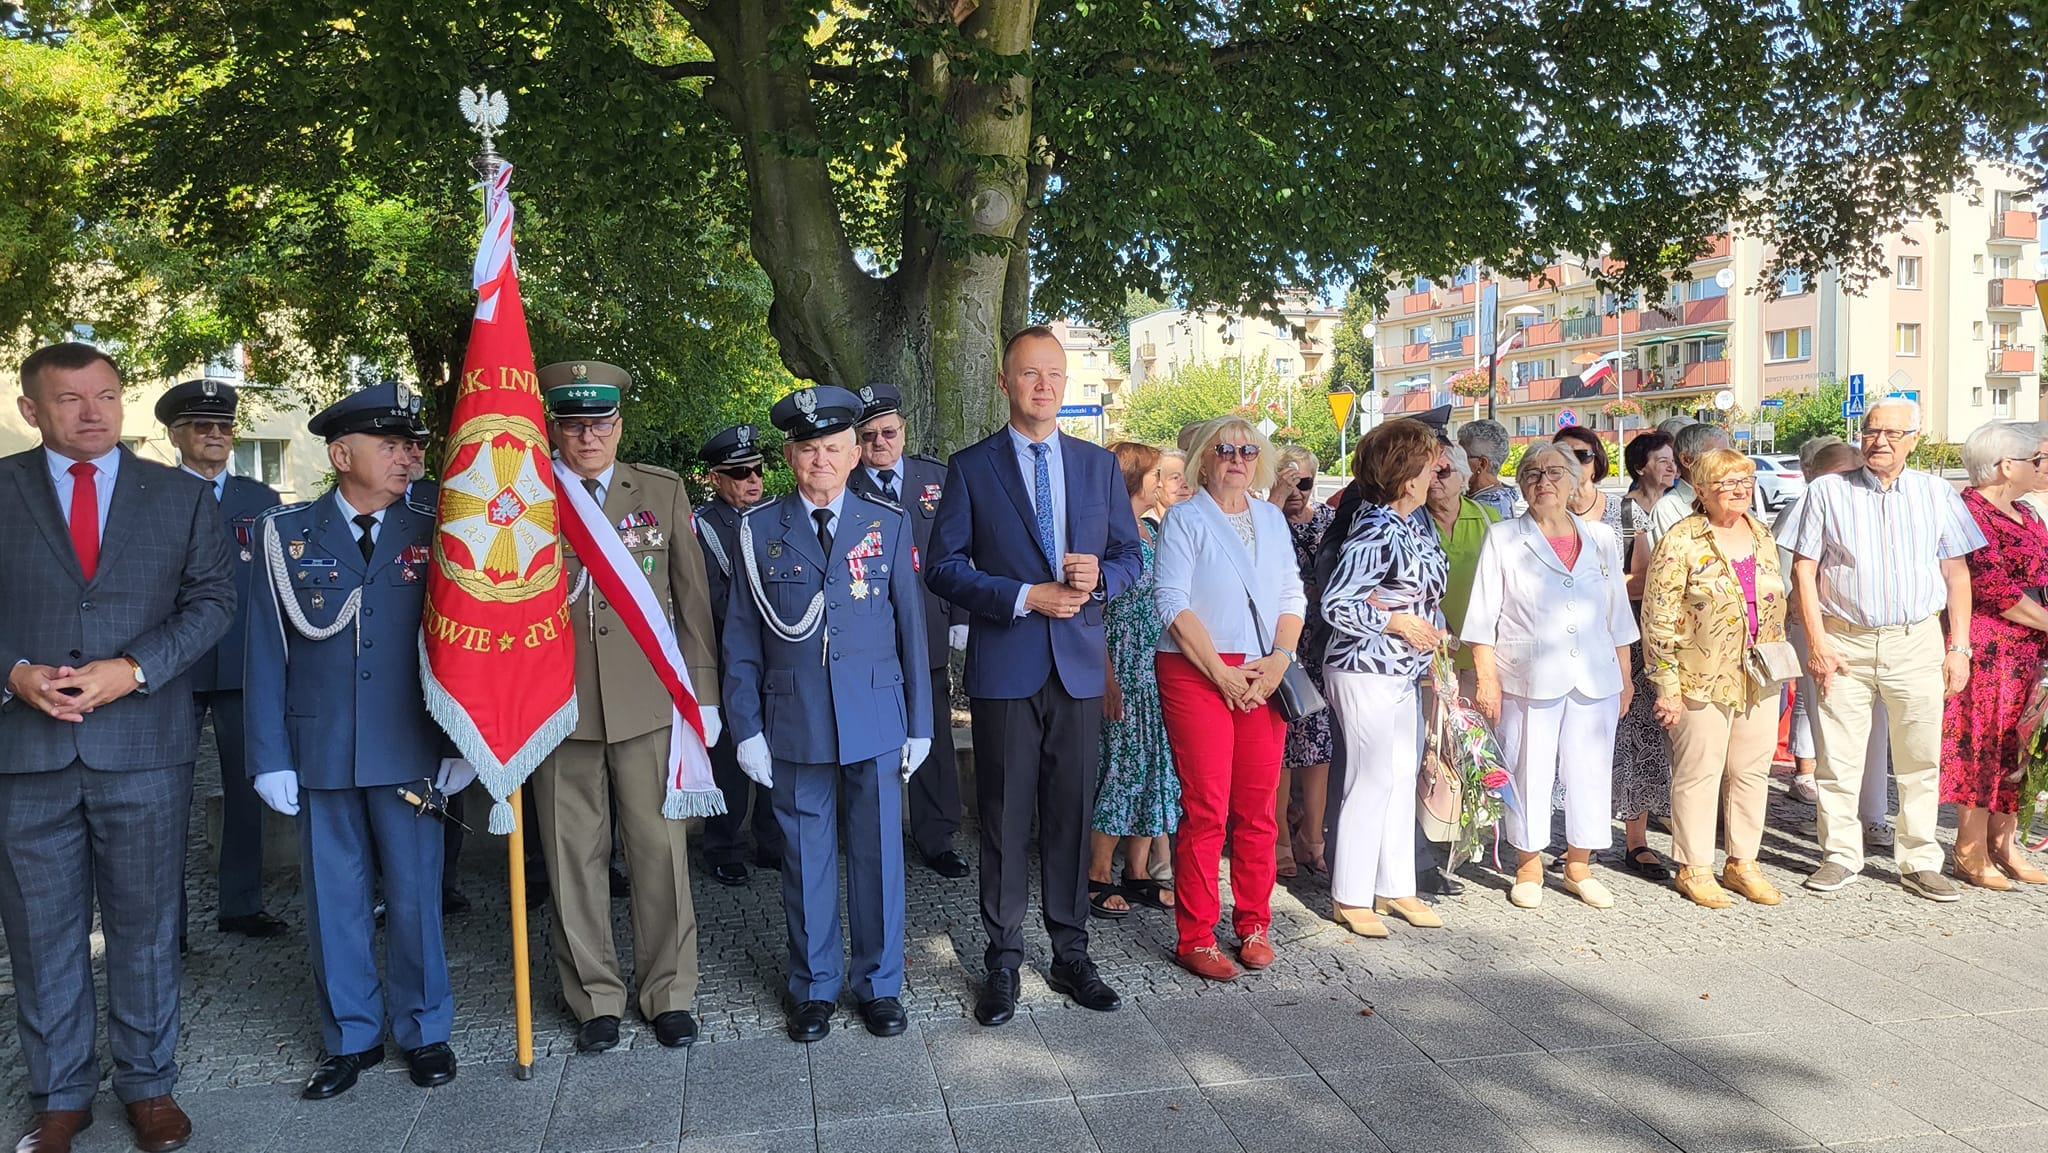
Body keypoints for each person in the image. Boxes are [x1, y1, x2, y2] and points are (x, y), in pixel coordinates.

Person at [0, 343, 232, 1153]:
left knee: (144, 926)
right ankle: (59, 1096)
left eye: (105, 394)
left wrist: (133, 668)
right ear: (33, 409)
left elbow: (212, 602)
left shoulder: (178, 496)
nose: (92, 411)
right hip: (26, 754)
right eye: (69, 399)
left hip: (144, 746)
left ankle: (148, 1086)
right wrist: (15, 672)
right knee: (41, 930)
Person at [244, 381, 468, 1099]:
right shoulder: (286, 534)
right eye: (391, 444)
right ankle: (350, 1036)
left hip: (412, 744)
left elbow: (469, 639)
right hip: (323, 750)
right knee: (334, 900)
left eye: (412, 445)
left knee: (414, 896)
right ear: (341, 454)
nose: (408, 457)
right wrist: (268, 756)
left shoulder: (437, 524)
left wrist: (464, 738)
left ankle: (426, 1028)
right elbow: (264, 650)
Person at [927, 325, 1142, 1026]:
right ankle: (1003, 958)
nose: (1043, 385)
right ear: (1004, 381)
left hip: (1077, 668)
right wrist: (1024, 596)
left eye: (1053, 374)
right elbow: (944, 567)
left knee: (1071, 817)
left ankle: (1071, 952)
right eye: (1029, 374)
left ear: (1065, 382)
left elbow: (1131, 560)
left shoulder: (1096, 466)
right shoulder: (971, 467)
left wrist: (1099, 576)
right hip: (1007, 666)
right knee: (1003, 817)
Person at [724, 384, 932, 1043]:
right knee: (805, 857)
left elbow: (911, 631)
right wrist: (746, 726)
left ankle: (878, 984)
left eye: (834, 447)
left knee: (877, 855)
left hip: (874, 713)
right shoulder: (759, 529)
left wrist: (922, 721)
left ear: (853, 454)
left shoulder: (887, 524)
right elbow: (740, 636)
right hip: (796, 719)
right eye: (809, 447)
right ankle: (813, 986)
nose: (822, 459)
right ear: (789, 455)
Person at [532, 362, 721, 1054]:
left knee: (659, 852)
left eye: (601, 421)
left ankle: (667, 990)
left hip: (648, 704)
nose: (589, 434)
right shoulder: (527, 498)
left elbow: (691, 605)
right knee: (570, 853)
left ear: (620, 425)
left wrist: (704, 695)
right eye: (575, 423)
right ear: (555, 426)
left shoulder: (661, 491)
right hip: (558, 708)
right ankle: (595, 996)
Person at [1793, 396, 1985, 900]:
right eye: (1871, 431)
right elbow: (1803, 571)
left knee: (1920, 758)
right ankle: (1839, 855)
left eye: (1893, 434)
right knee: (1837, 758)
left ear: (1914, 440)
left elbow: (1956, 573)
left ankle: (1920, 860)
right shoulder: (1827, 492)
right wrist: (1816, 641)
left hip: (1916, 641)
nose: (1880, 441)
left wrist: (1959, 646)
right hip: (1844, 642)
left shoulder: (1937, 493)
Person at [1151, 417, 1305, 980]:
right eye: (1224, 449)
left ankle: (1254, 921)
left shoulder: (1270, 517)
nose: (1236, 458)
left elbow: (1293, 593)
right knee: (1207, 807)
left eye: (1247, 449)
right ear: (1205, 460)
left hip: (1264, 669)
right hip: (1198, 670)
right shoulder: (1185, 519)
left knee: (1257, 808)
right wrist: (1219, 673)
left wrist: (1280, 661)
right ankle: (1195, 935)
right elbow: (1170, 600)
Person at [1464, 441, 1638, 909]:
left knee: (1591, 770)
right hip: (1527, 674)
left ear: (1576, 481)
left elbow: (1617, 613)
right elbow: (1482, 615)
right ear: (1522, 485)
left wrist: (1625, 674)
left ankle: (1579, 864)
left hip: (1595, 674)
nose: (1545, 482)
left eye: (1555, 473)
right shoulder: (1503, 536)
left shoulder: (1601, 537)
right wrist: (1486, 678)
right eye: (1534, 474)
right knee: (1528, 767)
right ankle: (1529, 864)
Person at [154, 377, 289, 940]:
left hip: (240, 667)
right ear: (175, 434)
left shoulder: (259, 501)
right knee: (164, 798)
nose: (215, 435)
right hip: (171, 670)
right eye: (202, 426)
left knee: (246, 787)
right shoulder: (151, 495)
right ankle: (168, 924)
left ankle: (240, 903)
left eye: (225, 427)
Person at [1643, 449, 1788, 908]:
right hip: (1697, 675)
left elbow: (1773, 608)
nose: (1740, 489)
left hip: (1759, 673)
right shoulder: (1682, 539)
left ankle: (1742, 862)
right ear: (1701, 490)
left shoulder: (1762, 534)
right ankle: (1694, 866)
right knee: (1699, 774)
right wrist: (1665, 684)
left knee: (1751, 772)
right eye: (1726, 482)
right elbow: (1658, 617)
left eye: (1745, 480)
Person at [1320, 419, 1449, 938]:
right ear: (1405, 471)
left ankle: (1395, 884)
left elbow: (1425, 597)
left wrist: (1431, 641)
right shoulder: (1374, 525)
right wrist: (1395, 621)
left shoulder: (1411, 524)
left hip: (1402, 668)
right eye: (1428, 461)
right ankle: (1350, 893)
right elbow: (1337, 603)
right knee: (1370, 777)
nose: (1437, 468)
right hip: (1363, 666)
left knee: (1399, 775)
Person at [848, 382, 971, 878]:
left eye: (889, 432)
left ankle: (937, 836)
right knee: (870, 737)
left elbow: (961, 552)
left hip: (929, 628)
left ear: (904, 430)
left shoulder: (934, 479)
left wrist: (961, 615)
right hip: (870, 635)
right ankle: (869, 834)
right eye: (870, 435)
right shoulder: (844, 484)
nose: (881, 443)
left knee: (935, 734)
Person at [1941, 421, 2048, 889]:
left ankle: (2004, 844)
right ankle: (1969, 848)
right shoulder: (1970, 512)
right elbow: (1992, 587)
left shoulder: (2029, 512)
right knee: (1981, 745)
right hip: (1991, 646)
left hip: (2032, 644)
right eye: (2037, 460)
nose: (2043, 467)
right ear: (2007, 465)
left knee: (2021, 744)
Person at [1776, 440, 1894, 841]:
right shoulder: (1804, 507)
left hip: (1873, 632)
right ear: (1814, 476)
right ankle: (1836, 823)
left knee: (1877, 728)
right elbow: (1787, 575)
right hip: (1820, 629)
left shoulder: (1874, 506)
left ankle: (1874, 815)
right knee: (1831, 729)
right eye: (1843, 472)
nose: (1852, 480)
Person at [694, 423, 787, 886]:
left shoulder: (774, 517)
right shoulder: (702, 527)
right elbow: (704, 597)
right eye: (740, 473)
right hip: (727, 657)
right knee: (728, 758)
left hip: (778, 655)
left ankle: (771, 841)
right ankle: (723, 844)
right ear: (716, 478)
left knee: (779, 746)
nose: (753, 480)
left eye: (757, 470)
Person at [1088, 442, 1179, 917]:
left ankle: (1138, 871)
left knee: (1153, 770)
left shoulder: (1147, 528)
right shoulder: (1105, 532)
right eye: (1156, 473)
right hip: (1122, 668)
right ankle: (1096, 873)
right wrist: (1106, 677)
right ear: (1136, 480)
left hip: (1152, 668)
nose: (1162, 480)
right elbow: (1093, 612)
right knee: (1120, 770)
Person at [1267, 445, 1333, 878]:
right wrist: (1275, 502)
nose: (1296, 492)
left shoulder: (1328, 521)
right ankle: (1280, 840)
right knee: (1282, 750)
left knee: (1319, 746)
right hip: (1278, 643)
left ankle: (1313, 835)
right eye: (1287, 481)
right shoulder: (1265, 519)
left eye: (1303, 482)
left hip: (1319, 642)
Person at [1613, 431, 1675, 878]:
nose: (1671, 468)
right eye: (1662, 460)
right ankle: (1634, 838)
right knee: (1635, 734)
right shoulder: (1627, 513)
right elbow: (1622, 580)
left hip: (1669, 635)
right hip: (1633, 633)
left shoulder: (1676, 510)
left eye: (1674, 460)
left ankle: (1661, 815)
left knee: (1659, 735)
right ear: (1640, 467)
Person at [1648, 422, 1732, 546]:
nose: (1726, 463)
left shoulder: (1733, 497)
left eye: (1729, 456)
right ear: (1686, 460)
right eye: (1716, 456)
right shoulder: (1668, 508)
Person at [1553, 425, 1623, 531]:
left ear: (1597, 461)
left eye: (1582, 455)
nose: (1573, 462)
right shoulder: (1544, 513)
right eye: (1564, 456)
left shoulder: (1624, 510)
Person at [1457, 418, 1516, 520]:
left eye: (1461, 455)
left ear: (1482, 464)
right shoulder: (1501, 493)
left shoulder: (1491, 505)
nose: (1455, 461)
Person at [1152, 447, 1193, 521]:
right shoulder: (1141, 530)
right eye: (1175, 478)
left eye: (1189, 478)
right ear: (1156, 482)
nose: (1186, 485)